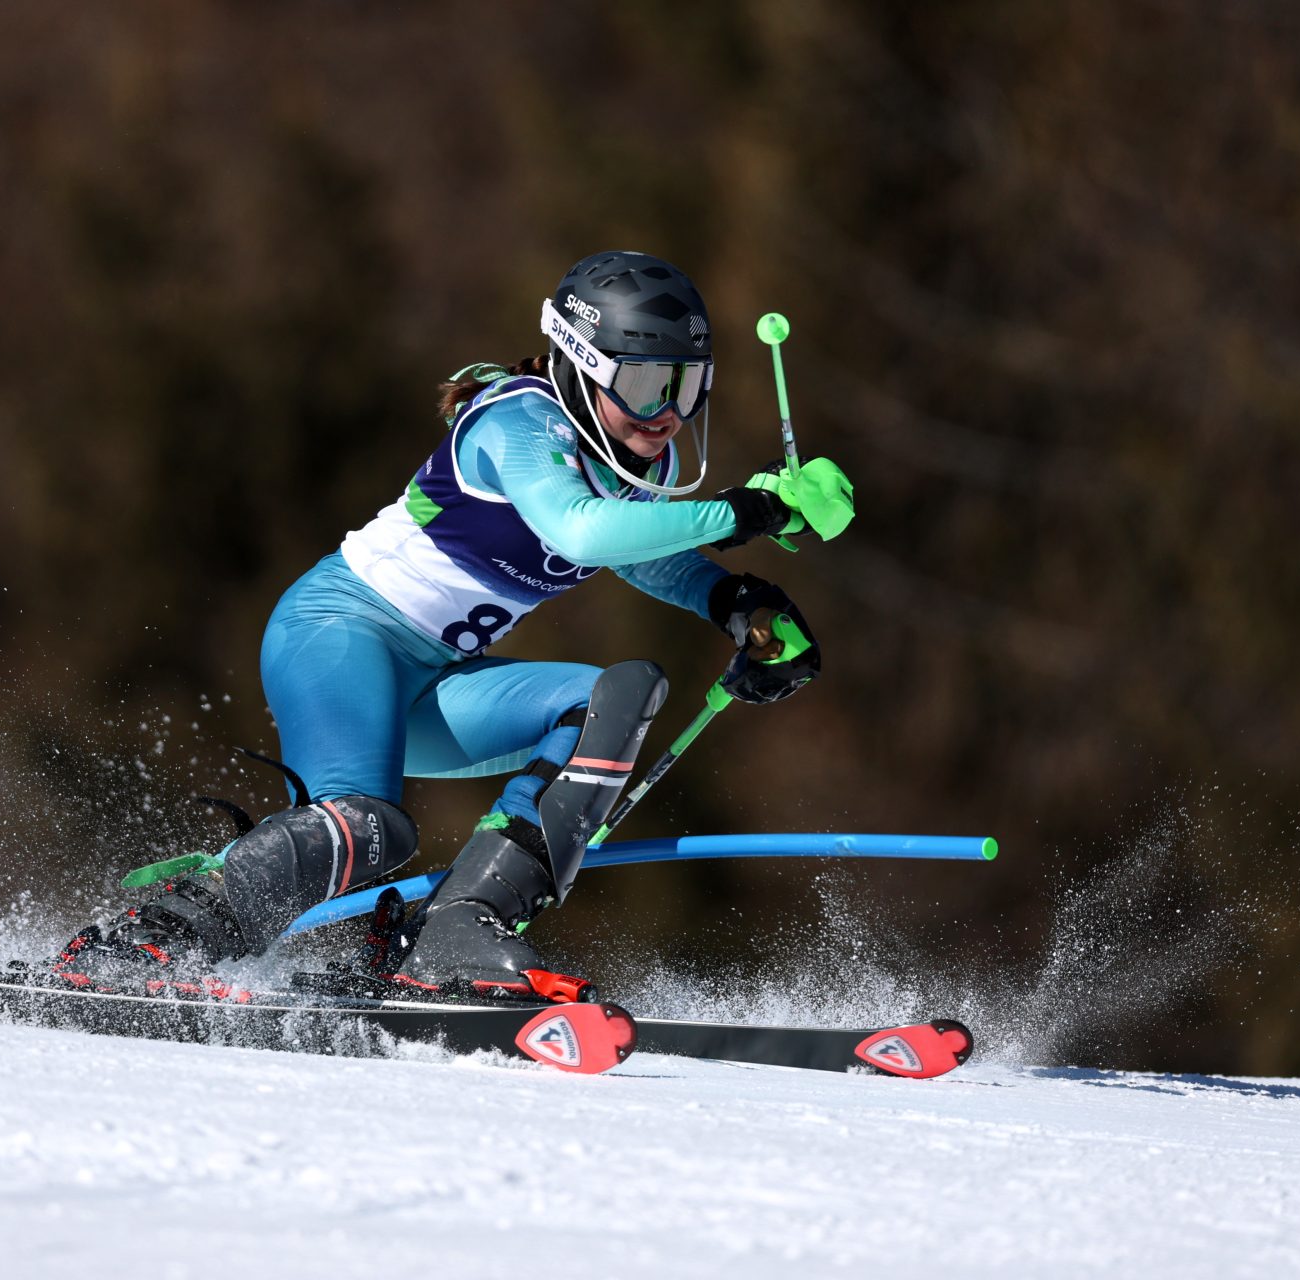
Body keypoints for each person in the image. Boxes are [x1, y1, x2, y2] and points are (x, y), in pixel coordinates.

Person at [51, 250, 849, 998]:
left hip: (434, 680)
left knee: (614, 696)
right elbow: (581, 532)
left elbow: (641, 555)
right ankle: (157, 937)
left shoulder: (639, 458)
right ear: (581, 363)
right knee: (369, 830)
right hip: (339, 635)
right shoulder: (517, 420)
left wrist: (734, 600)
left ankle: (458, 930)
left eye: (688, 384)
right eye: (644, 384)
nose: (668, 412)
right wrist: (747, 510)